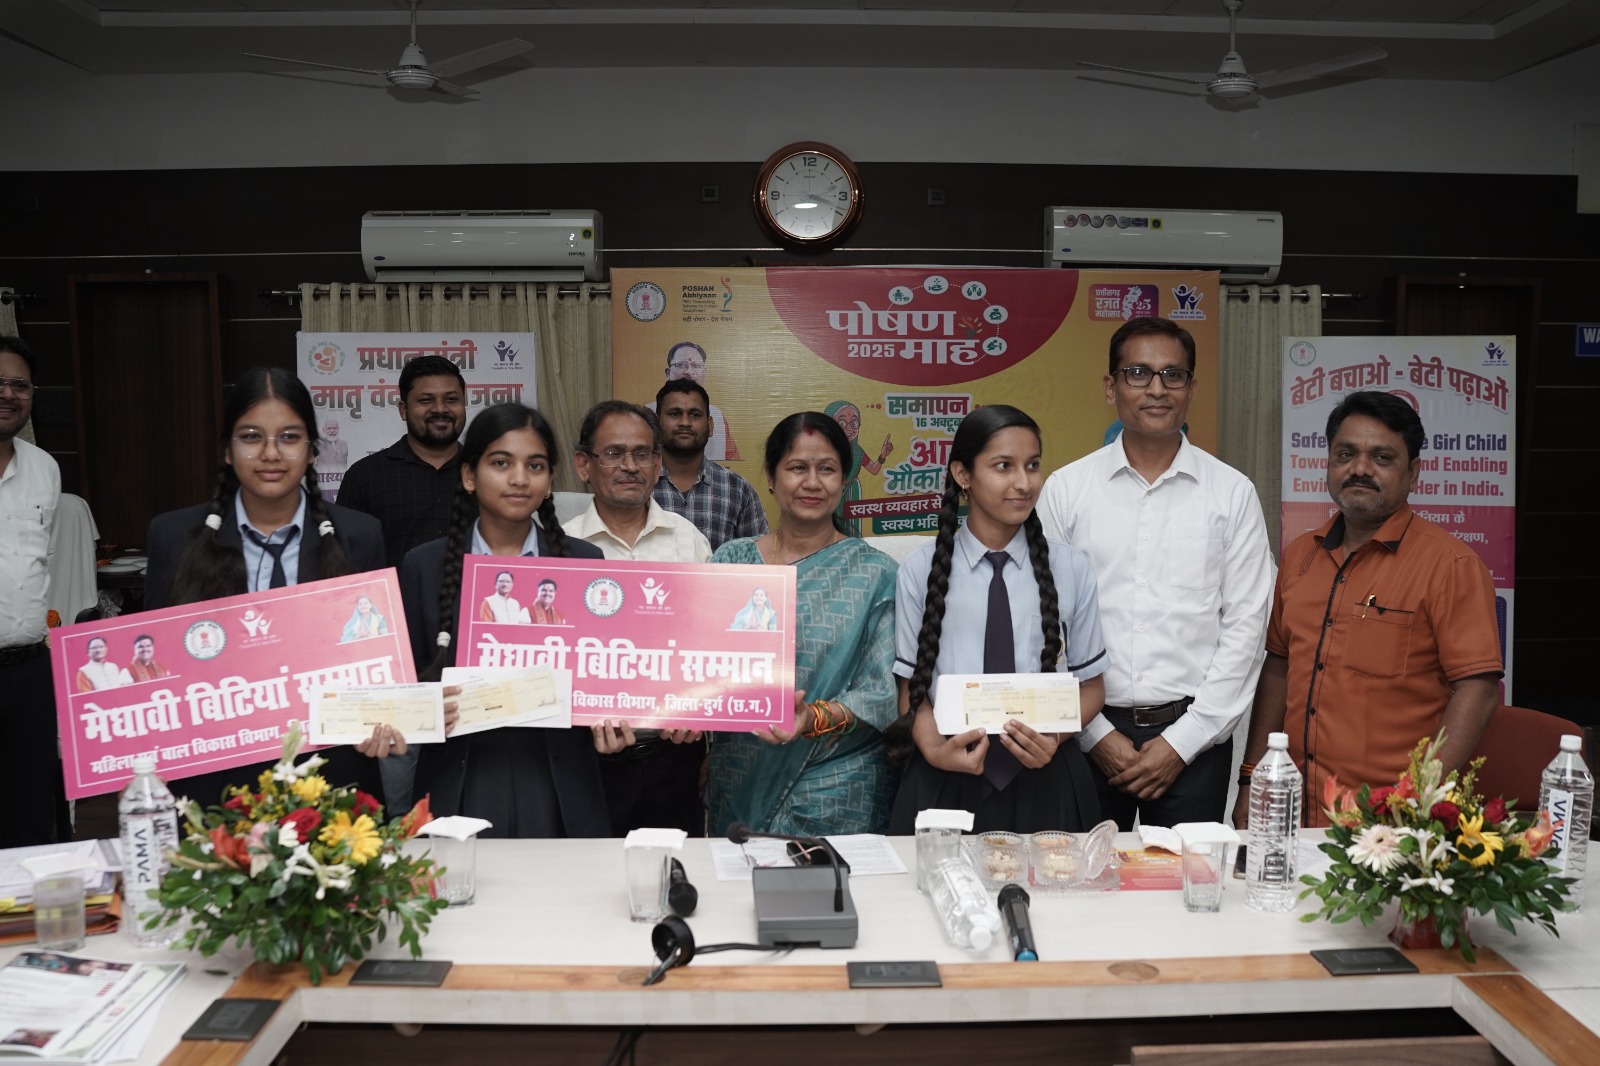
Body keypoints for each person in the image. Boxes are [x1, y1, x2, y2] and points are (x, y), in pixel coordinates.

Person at [1037, 317, 1274, 829]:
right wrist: (1094, 735)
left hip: (1195, 744)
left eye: (1173, 375)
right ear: (1111, 386)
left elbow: (1247, 627)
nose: (1157, 389)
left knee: (1189, 878)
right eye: (1138, 373)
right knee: (1078, 876)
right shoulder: (1066, 490)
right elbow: (1044, 623)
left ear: (1191, 388)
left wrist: (1182, 743)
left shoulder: (1232, 494)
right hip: (1083, 735)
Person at [1235, 390, 1502, 829]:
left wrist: (1417, 803)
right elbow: (1279, 667)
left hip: (1387, 821)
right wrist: (1252, 778)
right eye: (1346, 454)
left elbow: (1479, 689)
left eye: (1381, 457)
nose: (1360, 469)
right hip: (1293, 810)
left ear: (1413, 472)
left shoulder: (1451, 565)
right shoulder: (1301, 555)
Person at [143, 366, 387, 805]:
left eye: (290, 437)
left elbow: (373, 658)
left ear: (312, 450)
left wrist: (381, 718)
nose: (271, 453)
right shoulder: (173, 536)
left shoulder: (360, 535)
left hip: (330, 777)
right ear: (227, 450)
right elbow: (156, 668)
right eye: (252, 437)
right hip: (212, 782)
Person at [888, 406, 1108, 834]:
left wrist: (1053, 738)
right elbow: (911, 692)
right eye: (1003, 466)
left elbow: (1092, 687)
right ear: (963, 475)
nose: (1024, 483)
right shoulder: (919, 571)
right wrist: (934, 750)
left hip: (1047, 773)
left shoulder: (1071, 568)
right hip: (947, 772)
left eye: (1033, 465)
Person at [395, 402, 608, 838]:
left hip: (558, 783)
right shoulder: (424, 566)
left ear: (550, 481)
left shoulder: (585, 562)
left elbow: (603, 678)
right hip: (459, 780)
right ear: (469, 475)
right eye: (501, 463)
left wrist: (613, 718)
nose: (519, 478)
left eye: (535, 465)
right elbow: (401, 688)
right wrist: (425, 705)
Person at [706, 412, 899, 837]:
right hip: (740, 779)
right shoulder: (732, 561)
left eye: (826, 469)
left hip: (839, 790)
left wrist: (812, 717)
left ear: (844, 481)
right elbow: (700, 667)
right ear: (771, 477)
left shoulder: (875, 573)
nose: (812, 483)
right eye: (797, 468)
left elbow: (881, 694)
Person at [564, 400, 710, 836]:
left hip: (676, 757)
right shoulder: (560, 547)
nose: (630, 466)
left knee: (676, 871)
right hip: (585, 759)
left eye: (642, 454)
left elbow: (710, 645)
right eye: (613, 453)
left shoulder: (689, 541)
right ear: (584, 465)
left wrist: (699, 711)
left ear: (657, 463)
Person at [0, 335, 69, 846]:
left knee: (30, 818)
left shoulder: (45, 468)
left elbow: (44, 565)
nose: (8, 395)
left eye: (19, 386)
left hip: (28, 673)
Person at [335, 355, 468, 569]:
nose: (440, 409)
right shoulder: (365, 476)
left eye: (451, 399)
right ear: (403, 410)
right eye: (426, 400)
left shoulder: (486, 473)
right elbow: (342, 561)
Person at [651, 378, 768, 550]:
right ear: (655, 424)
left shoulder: (737, 489)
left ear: (710, 425)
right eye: (675, 413)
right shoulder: (638, 483)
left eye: (695, 414)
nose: (685, 422)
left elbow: (758, 557)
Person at [643, 342, 738, 461]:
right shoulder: (648, 413)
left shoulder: (717, 416)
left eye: (696, 365)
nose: (689, 372)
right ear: (668, 373)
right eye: (681, 365)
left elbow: (733, 463)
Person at [825, 400, 893, 537]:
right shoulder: (822, 451)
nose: (849, 429)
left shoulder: (857, 451)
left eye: (854, 423)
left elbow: (874, 469)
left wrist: (882, 456)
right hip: (830, 491)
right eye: (842, 423)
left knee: (852, 529)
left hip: (853, 491)